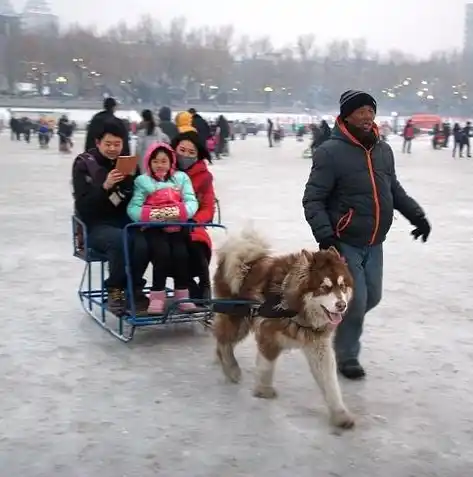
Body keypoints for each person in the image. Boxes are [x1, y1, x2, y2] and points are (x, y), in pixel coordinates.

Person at [302, 90, 431, 380]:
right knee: (355, 301)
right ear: (346, 115)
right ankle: (347, 355)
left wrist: (417, 215)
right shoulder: (329, 152)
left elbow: (393, 190)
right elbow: (313, 199)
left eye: (370, 110)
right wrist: (326, 237)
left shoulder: (382, 150)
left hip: (375, 241)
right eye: (360, 111)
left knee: (372, 296)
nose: (367, 116)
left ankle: (326, 318)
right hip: (344, 241)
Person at [72, 121, 149, 315]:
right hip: (96, 225)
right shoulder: (84, 163)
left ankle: (135, 288)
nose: (113, 148)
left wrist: (130, 184)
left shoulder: (129, 164)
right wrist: (104, 187)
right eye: (108, 144)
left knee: (143, 241)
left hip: (125, 220)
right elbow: (82, 206)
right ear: (98, 143)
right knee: (118, 240)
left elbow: (136, 198)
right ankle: (115, 289)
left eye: (117, 144)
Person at [127, 143, 199, 314]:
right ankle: (157, 296)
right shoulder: (142, 181)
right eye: (156, 161)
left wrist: (180, 212)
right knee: (162, 255)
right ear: (149, 163)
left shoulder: (181, 178)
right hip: (154, 228)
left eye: (164, 161)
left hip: (177, 226)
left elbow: (191, 200)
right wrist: (152, 215)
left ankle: (182, 295)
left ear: (171, 162)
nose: (160, 165)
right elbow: (133, 207)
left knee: (181, 255)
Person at [171, 126, 215, 300]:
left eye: (191, 152)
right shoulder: (163, 169)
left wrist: (195, 221)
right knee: (172, 248)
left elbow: (208, 206)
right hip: (166, 223)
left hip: (192, 224)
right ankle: (187, 284)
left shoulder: (204, 177)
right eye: (182, 150)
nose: (185, 156)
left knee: (197, 245)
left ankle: (205, 285)